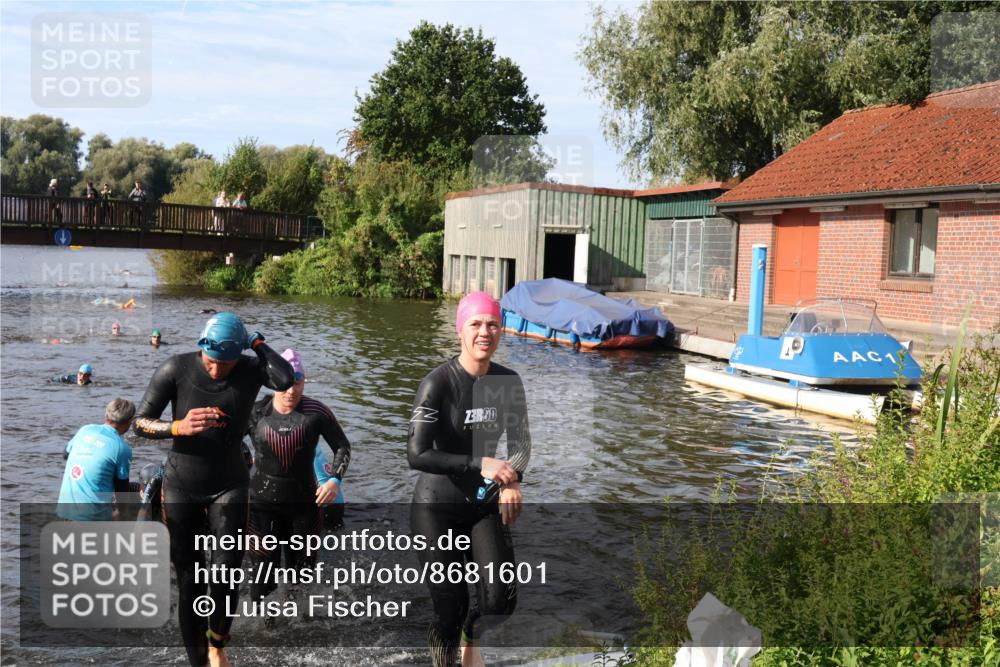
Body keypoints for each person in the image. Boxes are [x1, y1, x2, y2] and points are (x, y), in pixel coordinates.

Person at [132, 312, 293, 667]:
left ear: (239, 354)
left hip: (229, 483)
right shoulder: (176, 369)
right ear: (200, 349)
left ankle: (218, 644)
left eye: (225, 362)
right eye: (210, 360)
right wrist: (177, 427)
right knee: (190, 578)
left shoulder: (250, 369)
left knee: (226, 569)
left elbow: (286, 378)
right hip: (182, 483)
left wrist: (257, 342)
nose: (217, 369)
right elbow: (139, 423)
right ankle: (198, 662)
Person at [408, 292, 532, 667]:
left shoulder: (507, 382)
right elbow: (417, 454)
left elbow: (522, 445)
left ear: (502, 330)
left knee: (499, 602)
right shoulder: (438, 384)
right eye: (475, 324)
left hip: (482, 504)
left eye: (493, 324)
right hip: (436, 507)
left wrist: (511, 480)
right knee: (450, 606)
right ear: (460, 330)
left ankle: (470, 639)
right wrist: (480, 462)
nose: (485, 332)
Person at [245, 349, 351, 600]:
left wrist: (335, 480)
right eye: (286, 384)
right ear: (273, 383)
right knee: (262, 577)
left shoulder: (316, 412)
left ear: (305, 381)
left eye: (298, 383)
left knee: (301, 578)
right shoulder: (256, 412)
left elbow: (342, 446)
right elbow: (226, 444)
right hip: (261, 507)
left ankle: (298, 625)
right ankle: (264, 626)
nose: (292, 390)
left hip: (305, 507)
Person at [57, 399, 136, 521]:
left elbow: (65, 454)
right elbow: (122, 492)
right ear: (129, 421)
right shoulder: (122, 448)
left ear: (106, 415)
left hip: (64, 512)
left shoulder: (85, 430)